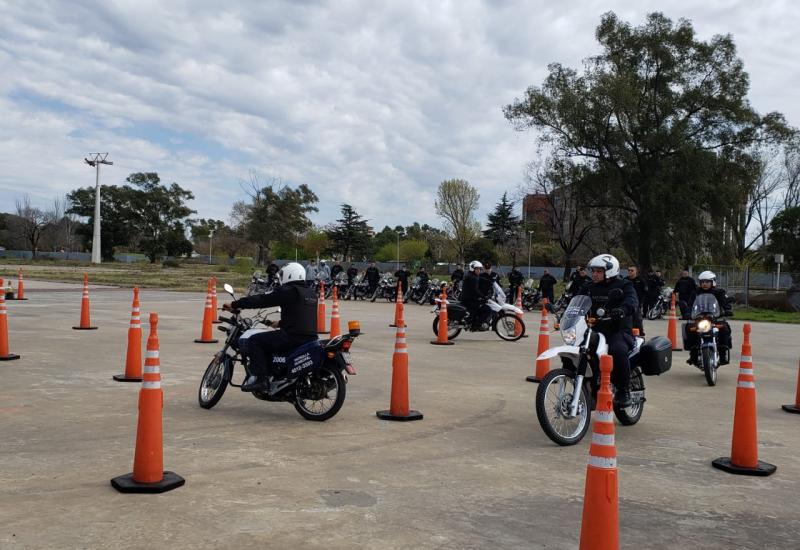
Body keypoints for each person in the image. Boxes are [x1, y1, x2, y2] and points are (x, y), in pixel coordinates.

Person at [223, 262, 318, 392]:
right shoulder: (311, 292)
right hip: (310, 338)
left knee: (254, 341)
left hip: (291, 337)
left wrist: (235, 304)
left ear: (290, 274)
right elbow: (302, 315)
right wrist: (280, 323)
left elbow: (262, 299)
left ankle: (260, 380)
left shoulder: (288, 290)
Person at [577, 254, 638, 407]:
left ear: (609, 271)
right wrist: (565, 310)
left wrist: (622, 309)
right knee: (578, 349)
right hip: (595, 330)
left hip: (618, 330)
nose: (594, 274)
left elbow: (632, 300)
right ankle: (584, 386)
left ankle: (624, 390)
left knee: (618, 350)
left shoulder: (624, 285)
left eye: (598, 271)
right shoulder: (588, 286)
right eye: (593, 271)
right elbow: (576, 300)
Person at [685, 271, 733, 366]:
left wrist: (727, 309)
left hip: (715, 317)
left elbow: (724, 303)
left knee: (724, 328)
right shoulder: (695, 293)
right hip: (699, 317)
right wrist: (687, 312)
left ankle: (723, 354)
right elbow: (690, 305)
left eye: (707, 282)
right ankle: (693, 354)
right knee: (689, 328)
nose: (704, 284)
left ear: (713, 282)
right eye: (702, 282)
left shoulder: (719, 292)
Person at [462, 260, 490, 330]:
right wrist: (484, 296)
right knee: (487, 309)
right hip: (469, 299)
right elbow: (476, 290)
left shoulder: (471, 275)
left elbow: (480, 278)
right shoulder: (472, 277)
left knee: (481, 307)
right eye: (477, 269)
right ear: (472, 268)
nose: (479, 271)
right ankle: (476, 325)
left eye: (480, 269)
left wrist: (489, 281)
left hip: (468, 298)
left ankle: (473, 322)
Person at [625, 266, 647, 336]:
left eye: (632, 270)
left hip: (637, 302)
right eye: (629, 270)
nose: (630, 272)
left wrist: (641, 301)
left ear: (636, 271)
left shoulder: (640, 280)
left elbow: (645, 291)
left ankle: (640, 333)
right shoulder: (625, 280)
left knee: (637, 319)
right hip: (627, 302)